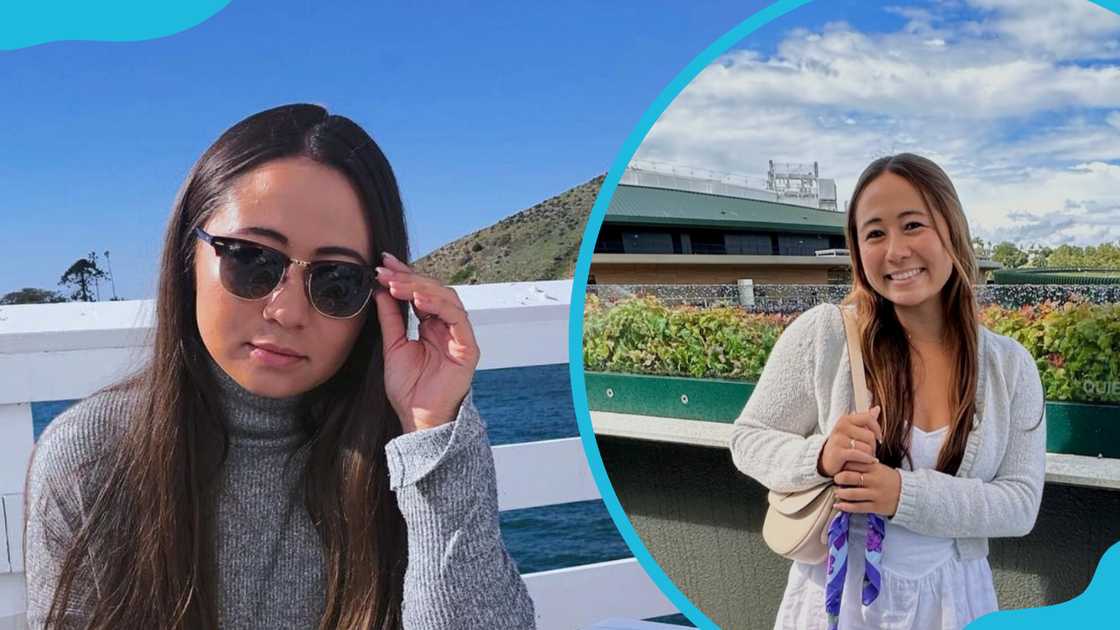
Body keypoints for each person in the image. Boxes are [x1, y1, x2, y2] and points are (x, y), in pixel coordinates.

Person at [24, 104, 536, 629]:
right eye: (252, 260)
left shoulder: (408, 451)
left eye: (336, 281)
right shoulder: (94, 457)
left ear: (378, 295)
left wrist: (433, 435)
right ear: (188, 258)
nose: (287, 311)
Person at [730, 153, 1046, 630]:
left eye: (913, 225)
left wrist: (903, 495)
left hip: (956, 603)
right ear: (858, 249)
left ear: (951, 230)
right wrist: (820, 456)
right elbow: (747, 438)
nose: (895, 251)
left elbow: (1020, 504)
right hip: (836, 601)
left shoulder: (1009, 366)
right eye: (875, 233)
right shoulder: (825, 334)